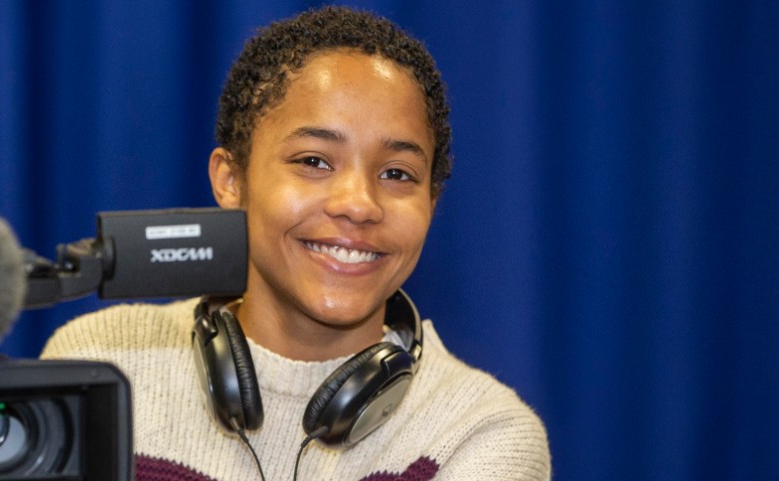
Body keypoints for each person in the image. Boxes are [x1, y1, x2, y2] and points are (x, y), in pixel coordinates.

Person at [42, 6, 551, 480]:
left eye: (397, 173)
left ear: (431, 205)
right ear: (230, 180)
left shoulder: (483, 434)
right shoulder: (103, 362)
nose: (359, 203)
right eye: (313, 161)